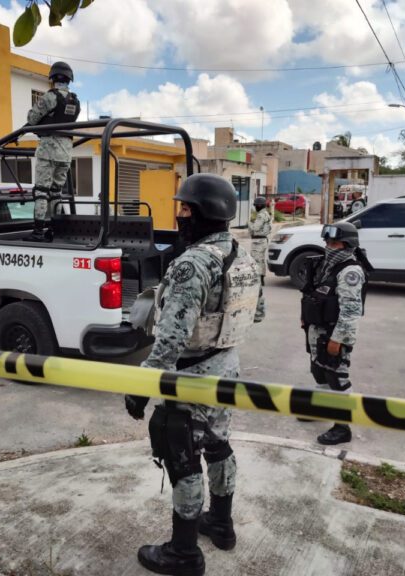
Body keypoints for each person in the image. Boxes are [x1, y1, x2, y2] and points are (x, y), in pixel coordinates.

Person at [125, 173, 264, 576]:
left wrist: (139, 388)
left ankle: (183, 552)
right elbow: (256, 313)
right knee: (219, 446)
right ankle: (221, 523)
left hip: (189, 377)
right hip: (226, 368)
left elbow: (169, 342)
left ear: (202, 213)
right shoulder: (244, 256)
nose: (180, 214)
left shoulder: (193, 263)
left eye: (185, 208)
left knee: (182, 455)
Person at [299, 221, 371, 445]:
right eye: (327, 242)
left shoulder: (350, 271)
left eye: (335, 243)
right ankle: (321, 409)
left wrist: (337, 339)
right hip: (317, 330)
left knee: (337, 377)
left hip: (334, 333)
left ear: (348, 245)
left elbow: (351, 311)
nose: (329, 247)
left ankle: (342, 428)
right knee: (318, 371)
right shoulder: (324, 265)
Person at [26, 61, 81, 241]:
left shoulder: (50, 97)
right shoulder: (75, 101)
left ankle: (38, 232)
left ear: (53, 78)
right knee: (57, 191)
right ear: (69, 80)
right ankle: (56, 228)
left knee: (42, 191)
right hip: (66, 152)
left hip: (49, 149)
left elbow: (32, 118)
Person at [248, 196, 271, 285]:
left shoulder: (261, 215)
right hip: (263, 240)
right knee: (261, 260)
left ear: (259, 206)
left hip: (258, 241)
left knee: (256, 260)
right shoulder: (266, 213)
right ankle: (261, 279)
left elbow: (255, 228)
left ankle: (258, 279)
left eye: (256, 205)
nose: (255, 207)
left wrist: (249, 223)